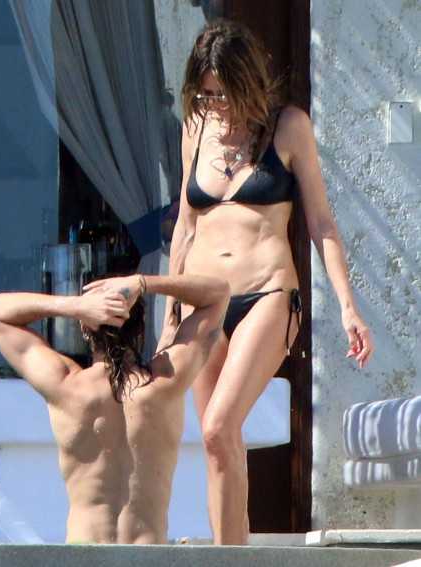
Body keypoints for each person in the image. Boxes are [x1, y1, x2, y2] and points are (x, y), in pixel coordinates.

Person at [157, 19, 375, 545]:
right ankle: (231, 552)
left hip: (267, 294)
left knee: (219, 425)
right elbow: (185, 227)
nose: (215, 105)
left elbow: (321, 223)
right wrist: (168, 317)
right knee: (216, 442)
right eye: (205, 95)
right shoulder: (196, 128)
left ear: (248, 81)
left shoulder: (288, 127)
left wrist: (348, 306)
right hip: (203, 299)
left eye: (223, 94)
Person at [0, 272, 229, 544]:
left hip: (85, 555)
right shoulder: (165, 382)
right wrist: (142, 283)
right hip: (148, 556)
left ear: (85, 327)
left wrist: (75, 306)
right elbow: (218, 293)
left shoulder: (67, 387)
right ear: (140, 328)